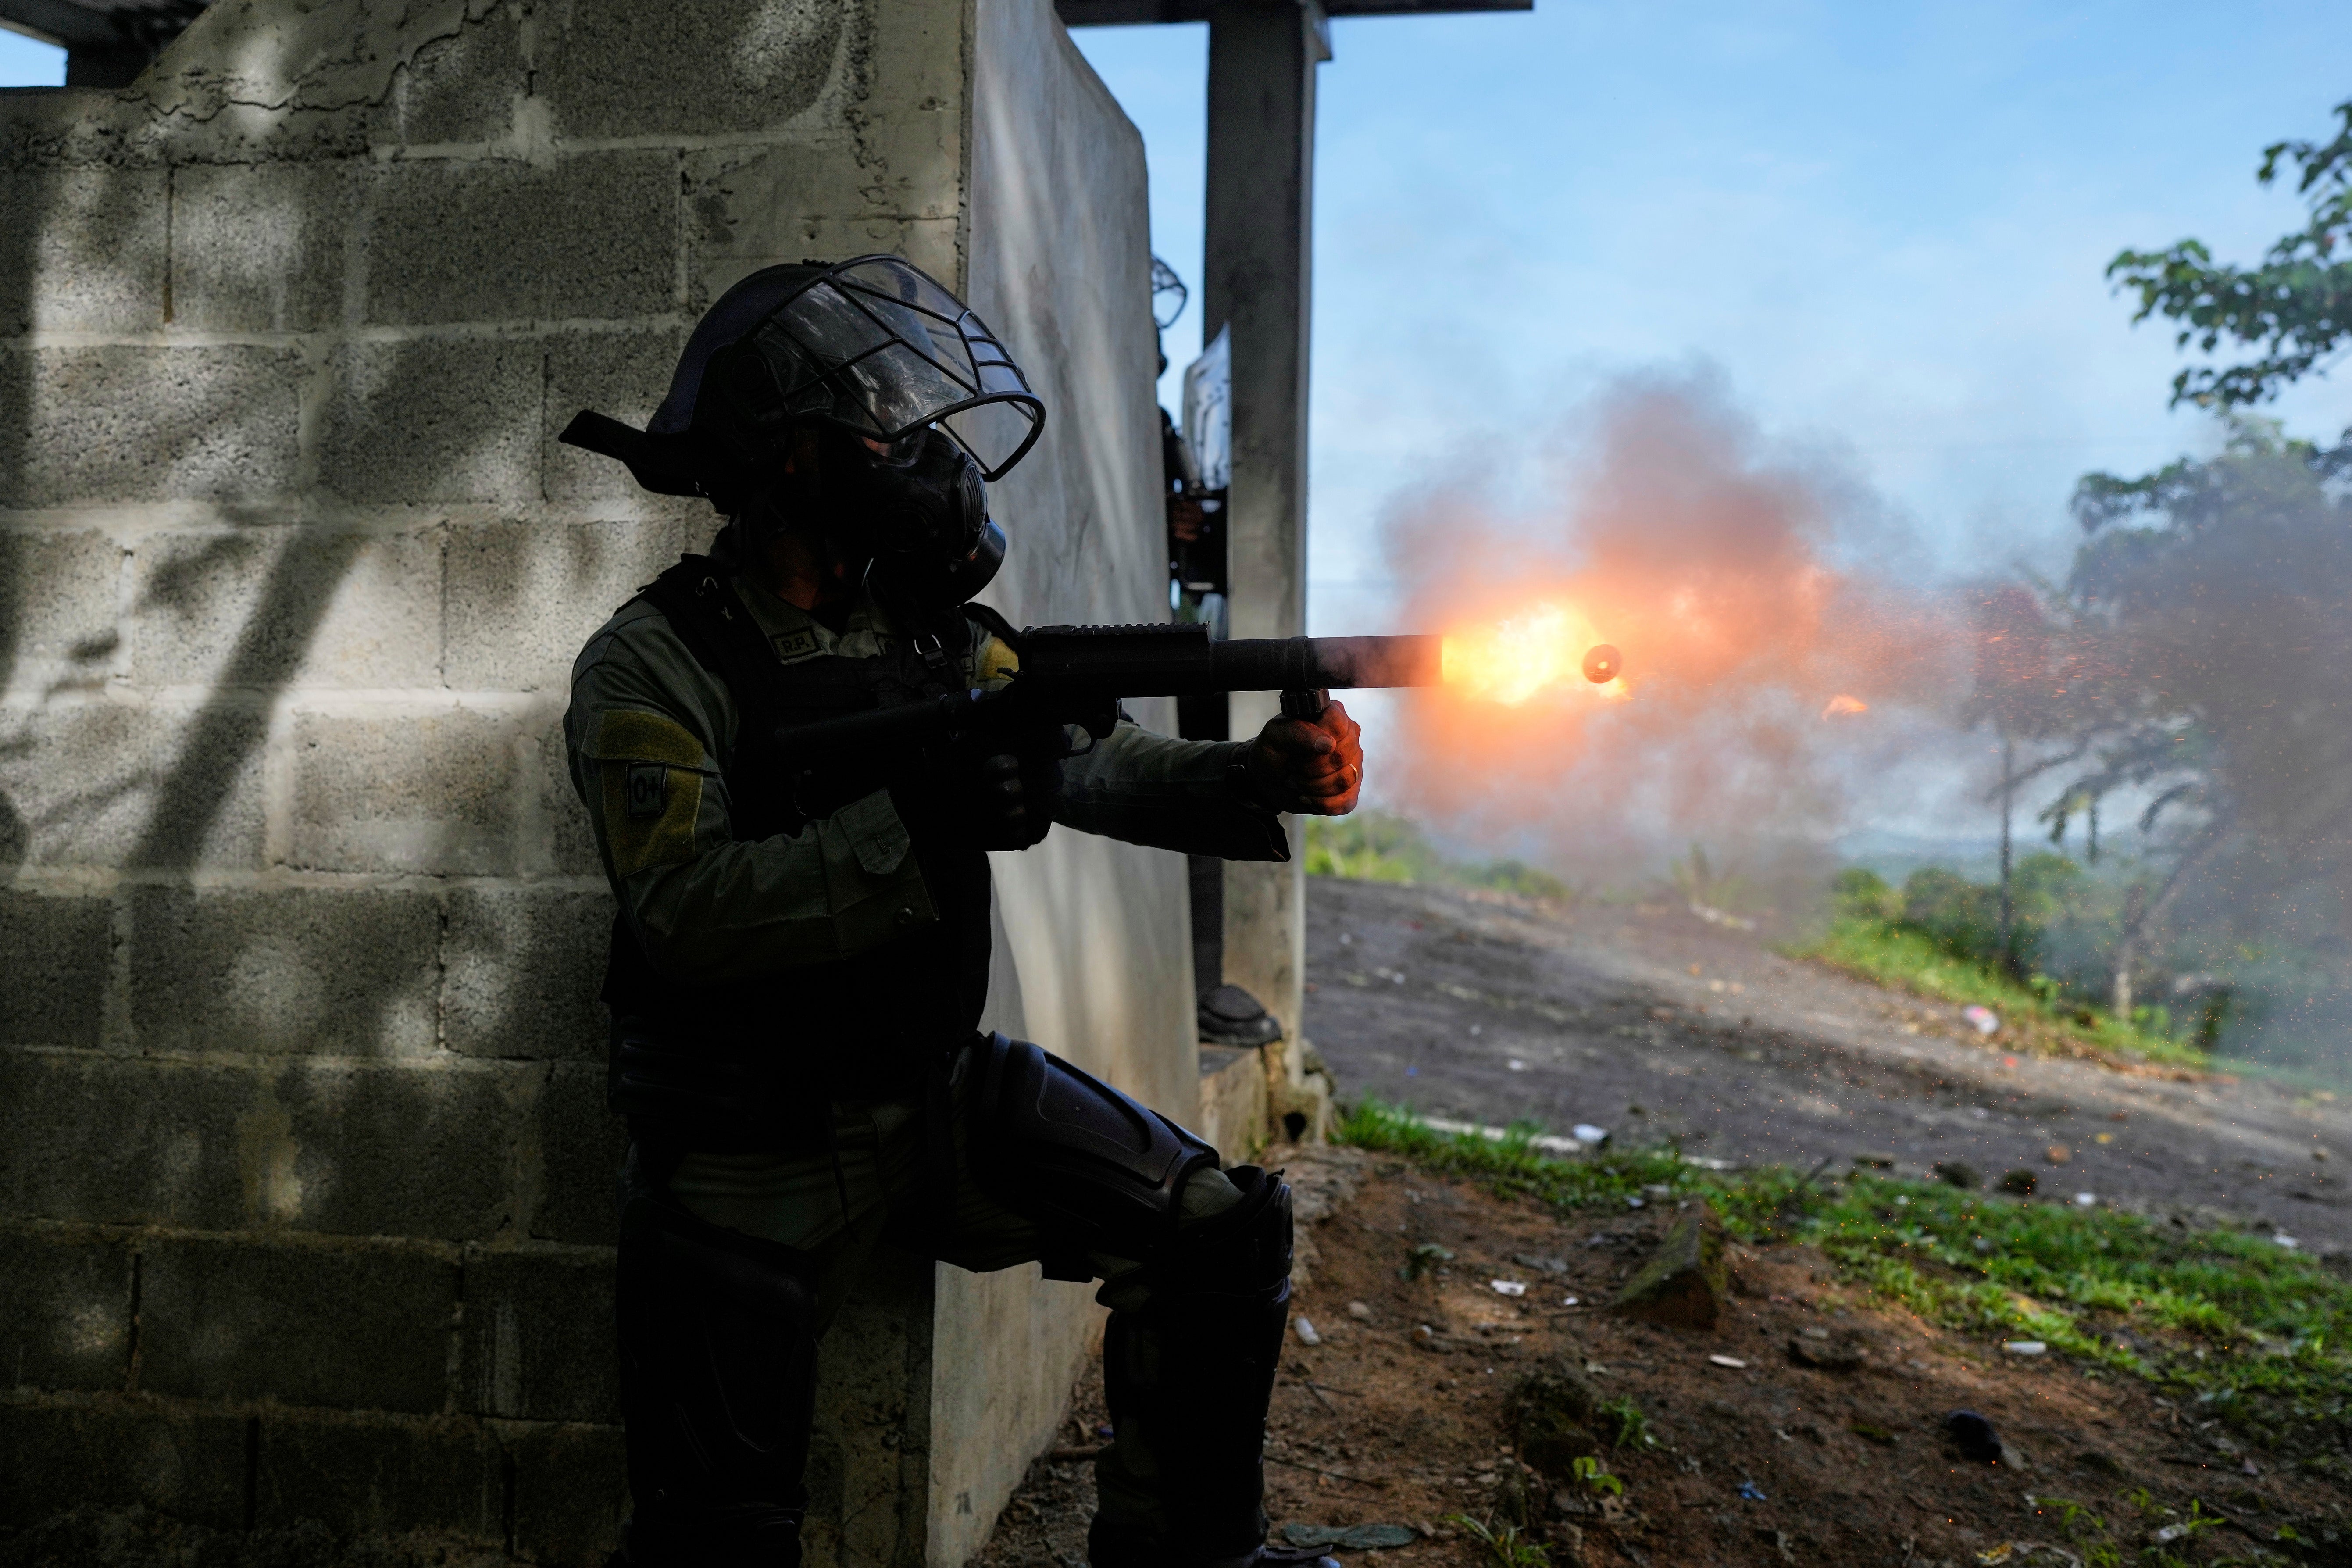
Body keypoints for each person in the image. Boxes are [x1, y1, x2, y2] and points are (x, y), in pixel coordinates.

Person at [557, 256, 1366, 1568]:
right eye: (887, 434)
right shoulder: (655, 662)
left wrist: (1256, 774)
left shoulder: (940, 637)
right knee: (714, 1538)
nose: (929, 460)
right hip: (745, 1146)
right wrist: (922, 819)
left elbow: (1099, 764)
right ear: (795, 459)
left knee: (1219, 1231)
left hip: (926, 1094)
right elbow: (682, 914)